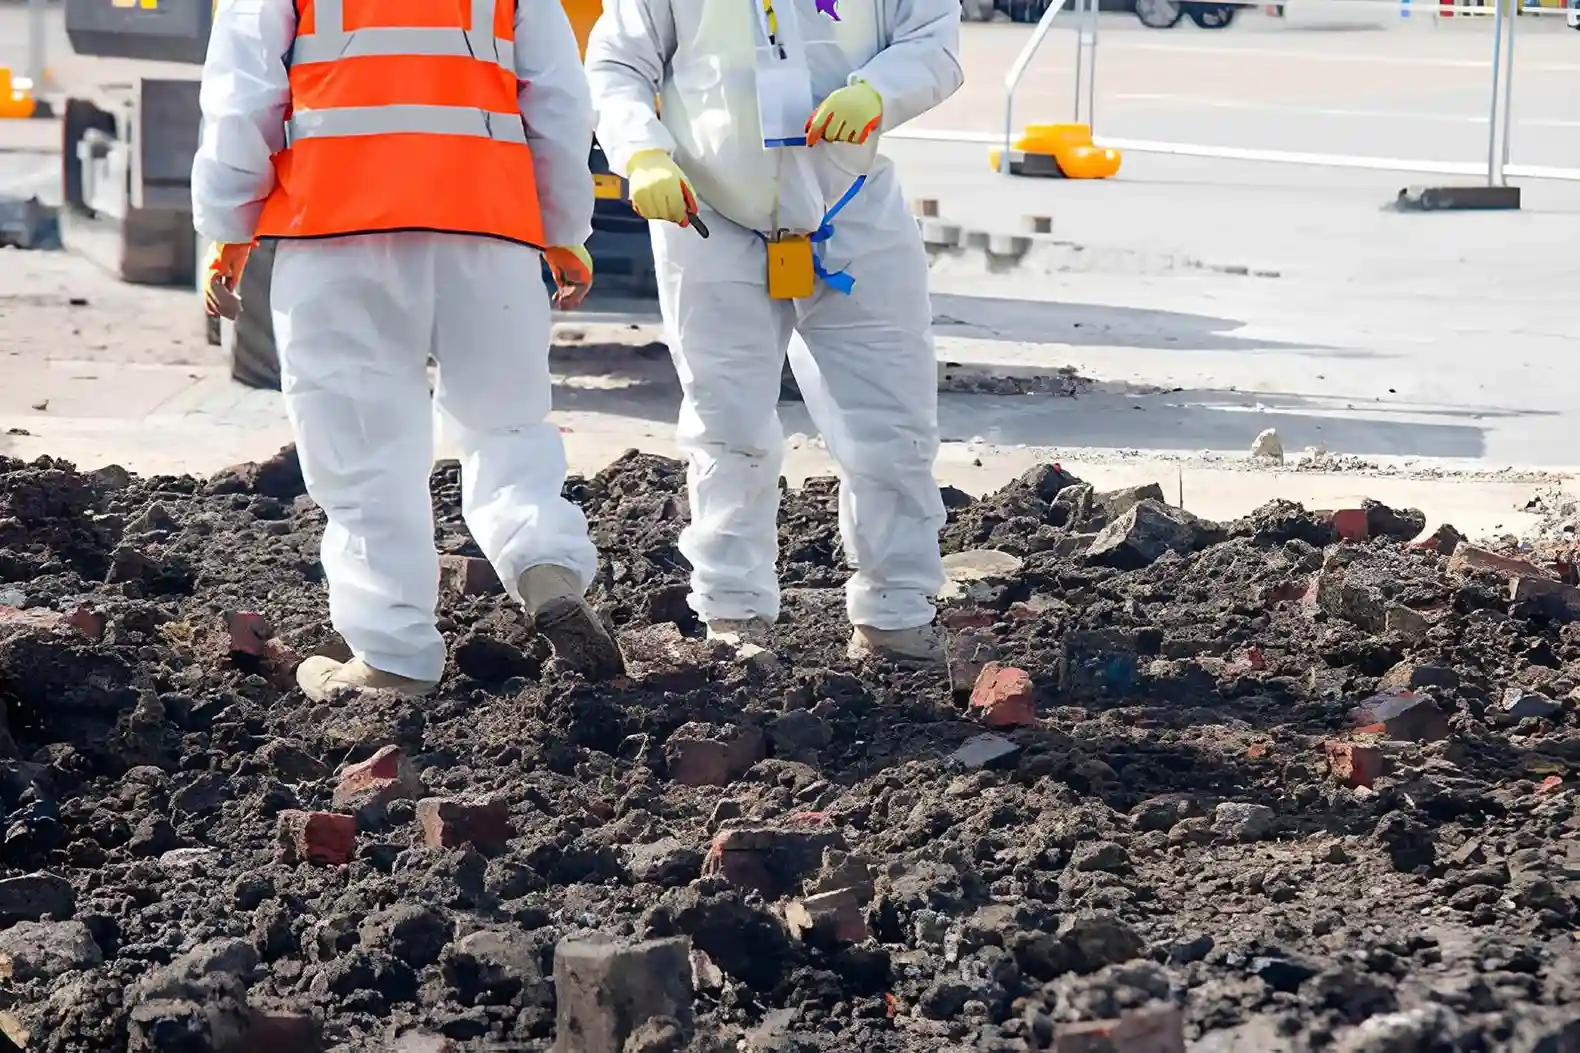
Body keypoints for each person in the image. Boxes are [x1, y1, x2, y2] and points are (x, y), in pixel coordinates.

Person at [192, 0, 626, 700]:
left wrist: (228, 226)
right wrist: (563, 225)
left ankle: (392, 656)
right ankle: (545, 562)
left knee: (363, 447)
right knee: (507, 422)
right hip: (490, 226)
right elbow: (559, 97)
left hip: (336, 227)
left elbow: (242, 97)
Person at [585, 0, 962, 664]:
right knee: (727, 428)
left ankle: (897, 614)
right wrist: (641, 153)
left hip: (851, 208)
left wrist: (880, 90)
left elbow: (934, 38)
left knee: (892, 424)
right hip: (711, 218)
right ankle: (735, 616)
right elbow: (617, 60)